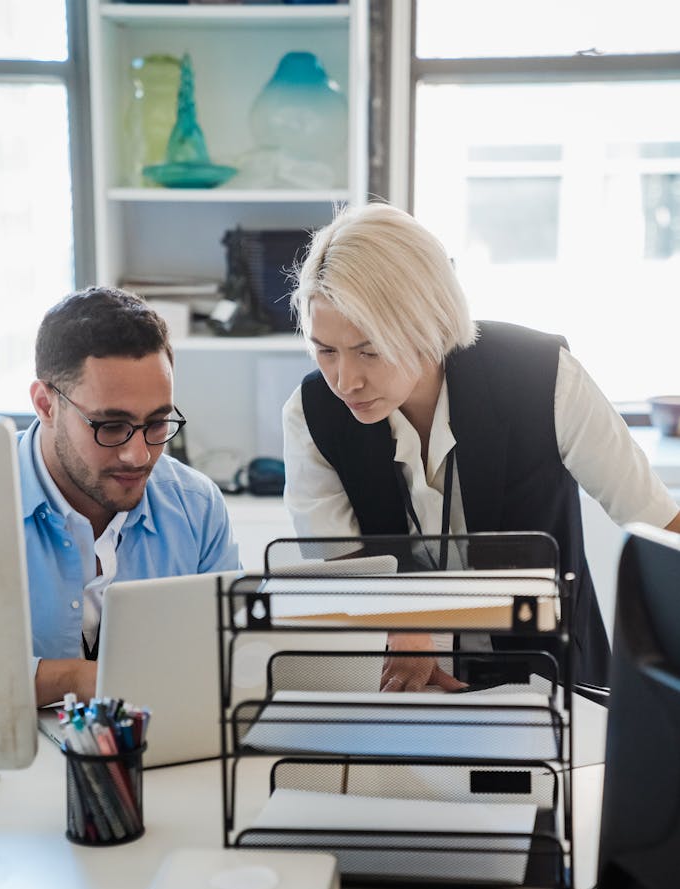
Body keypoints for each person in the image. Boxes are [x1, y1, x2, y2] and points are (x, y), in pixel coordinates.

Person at [282, 203, 680, 691]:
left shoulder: (543, 377)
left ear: (428, 323)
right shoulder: (311, 414)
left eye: (369, 350)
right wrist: (400, 622)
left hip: (554, 681)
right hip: (407, 686)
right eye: (326, 351)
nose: (345, 381)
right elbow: (340, 569)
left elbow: (661, 523)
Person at [21, 286, 241, 707]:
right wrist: (79, 679)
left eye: (157, 423)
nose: (138, 455)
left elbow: (229, 660)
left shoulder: (197, 508)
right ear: (46, 405)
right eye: (110, 425)